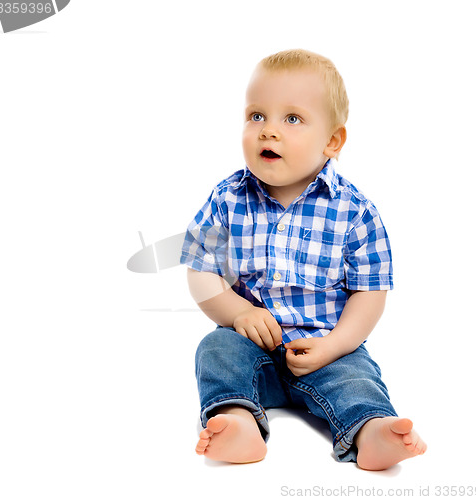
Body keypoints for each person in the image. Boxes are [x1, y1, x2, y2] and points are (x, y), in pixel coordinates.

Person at [180, 49, 426, 470]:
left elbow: (370, 293)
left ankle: (372, 430)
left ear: (332, 141)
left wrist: (335, 345)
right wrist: (237, 311)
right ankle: (238, 421)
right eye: (257, 116)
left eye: (291, 119)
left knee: (356, 377)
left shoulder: (354, 212)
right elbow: (200, 270)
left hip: (326, 345)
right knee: (215, 350)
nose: (267, 132)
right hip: (251, 343)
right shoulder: (228, 197)